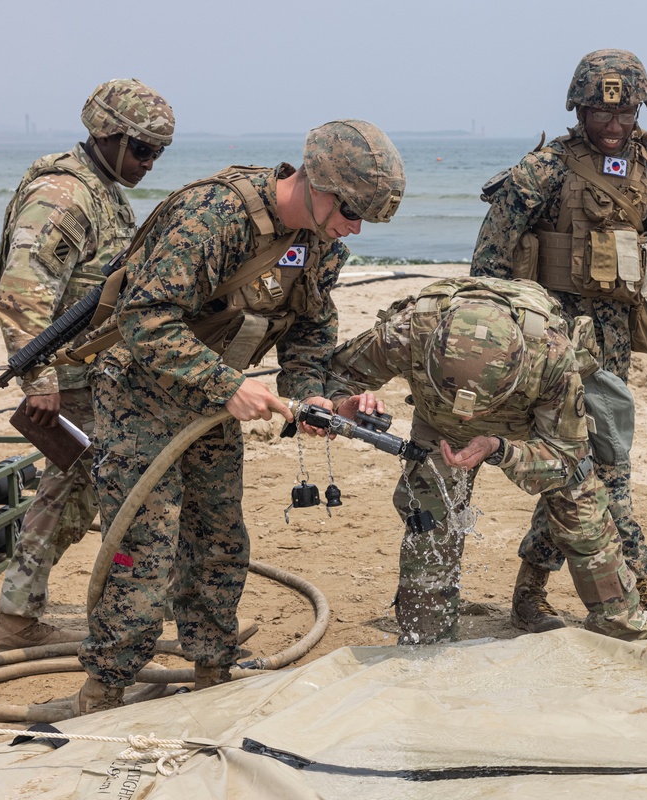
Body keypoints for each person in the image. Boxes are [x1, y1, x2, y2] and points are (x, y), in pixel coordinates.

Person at [74, 119, 405, 714]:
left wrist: (312, 396)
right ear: (318, 183)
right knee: (143, 548)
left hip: (209, 399)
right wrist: (225, 384)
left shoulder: (321, 242)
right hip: (141, 395)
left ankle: (211, 672)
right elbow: (144, 318)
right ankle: (106, 689)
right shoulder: (214, 218)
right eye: (351, 211)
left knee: (219, 539)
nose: (354, 228)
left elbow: (310, 326)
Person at [470, 49, 647, 642]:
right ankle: (638, 598)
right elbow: (489, 263)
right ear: (578, 109)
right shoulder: (543, 171)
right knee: (606, 472)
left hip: (609, 356)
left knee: (573, 468)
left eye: (625, 111)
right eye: (599, 112)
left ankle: (528, 593)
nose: (613, 124)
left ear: (638, 110)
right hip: (546, 348)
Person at [325, 275, 647, 646]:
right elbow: (335, 373)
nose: (467, 417)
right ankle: (427, 638)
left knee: (582, 515)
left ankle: (624, 629)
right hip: (438, 426)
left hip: (532, 425)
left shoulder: (551, 357)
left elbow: (564, 459)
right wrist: (343, 404)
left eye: (478, 406)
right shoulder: (407, 333)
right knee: (430, 522)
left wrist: (501, 449)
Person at [0, 79, 174, 653]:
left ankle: (18, 618)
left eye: (157, 153)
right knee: (101, 493)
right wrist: (39, 380)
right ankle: (45, 622)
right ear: (106, 134)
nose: (148, 163)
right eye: (141, 149)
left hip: (90, 375)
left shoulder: (101, 188)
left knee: (71, 493)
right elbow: (23, 289)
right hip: (70, 380)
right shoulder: (66, 194)